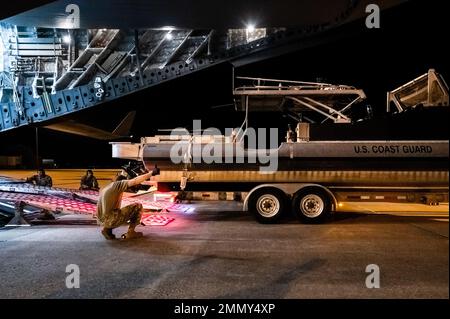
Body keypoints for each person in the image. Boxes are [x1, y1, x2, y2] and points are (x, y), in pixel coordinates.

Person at [96, 170, 154, 240]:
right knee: (137, 206)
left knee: (114, 211)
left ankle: (107, 230)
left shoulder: (107, 187)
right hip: (110, 220)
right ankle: (131, 232)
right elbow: (135, 181)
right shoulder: (118, 184)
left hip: (102, 221)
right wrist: (151, 174)